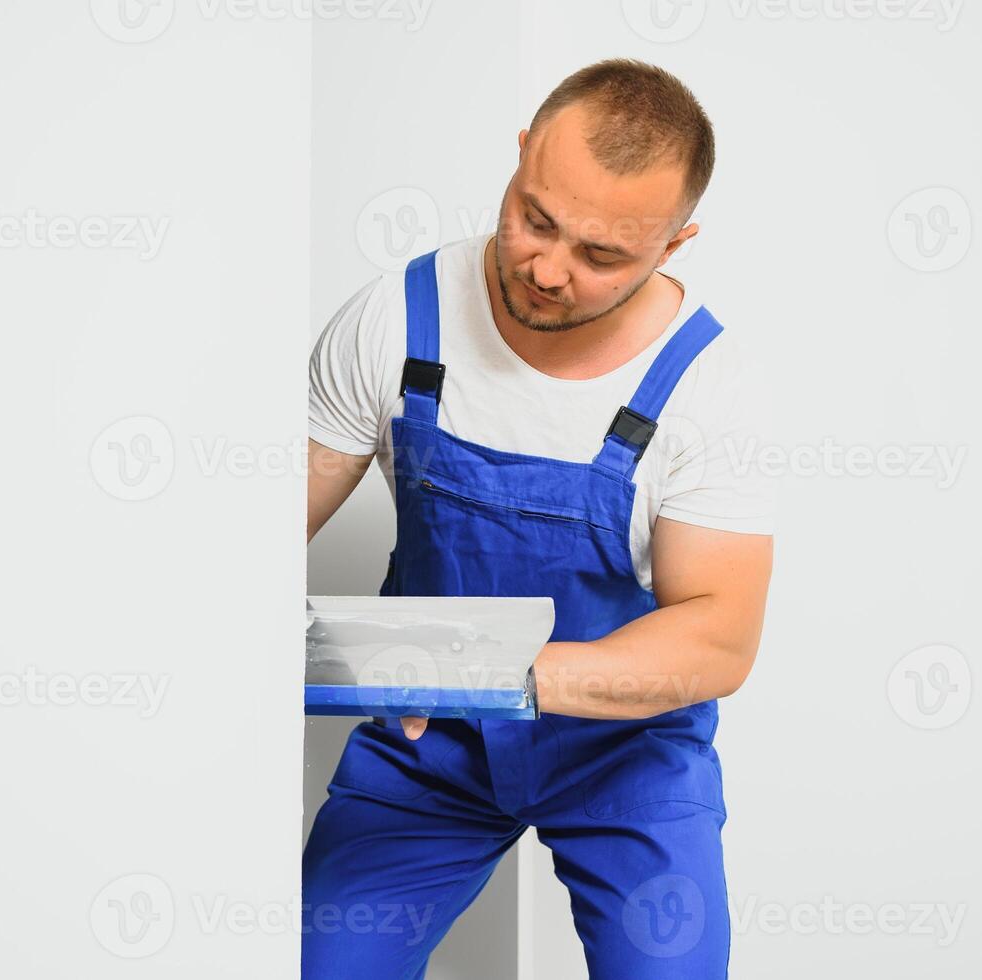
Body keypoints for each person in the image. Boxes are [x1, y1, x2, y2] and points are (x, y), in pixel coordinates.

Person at [303, 58, 775, 979]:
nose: (549, 270)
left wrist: (503, 672)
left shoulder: (712, 389)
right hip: (428, 745)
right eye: (535, 219)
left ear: (673, 246)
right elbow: (242, 549)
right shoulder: (396, 320)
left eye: (603, 256)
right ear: (521, 157)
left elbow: (720, 639)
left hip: (627, 755)